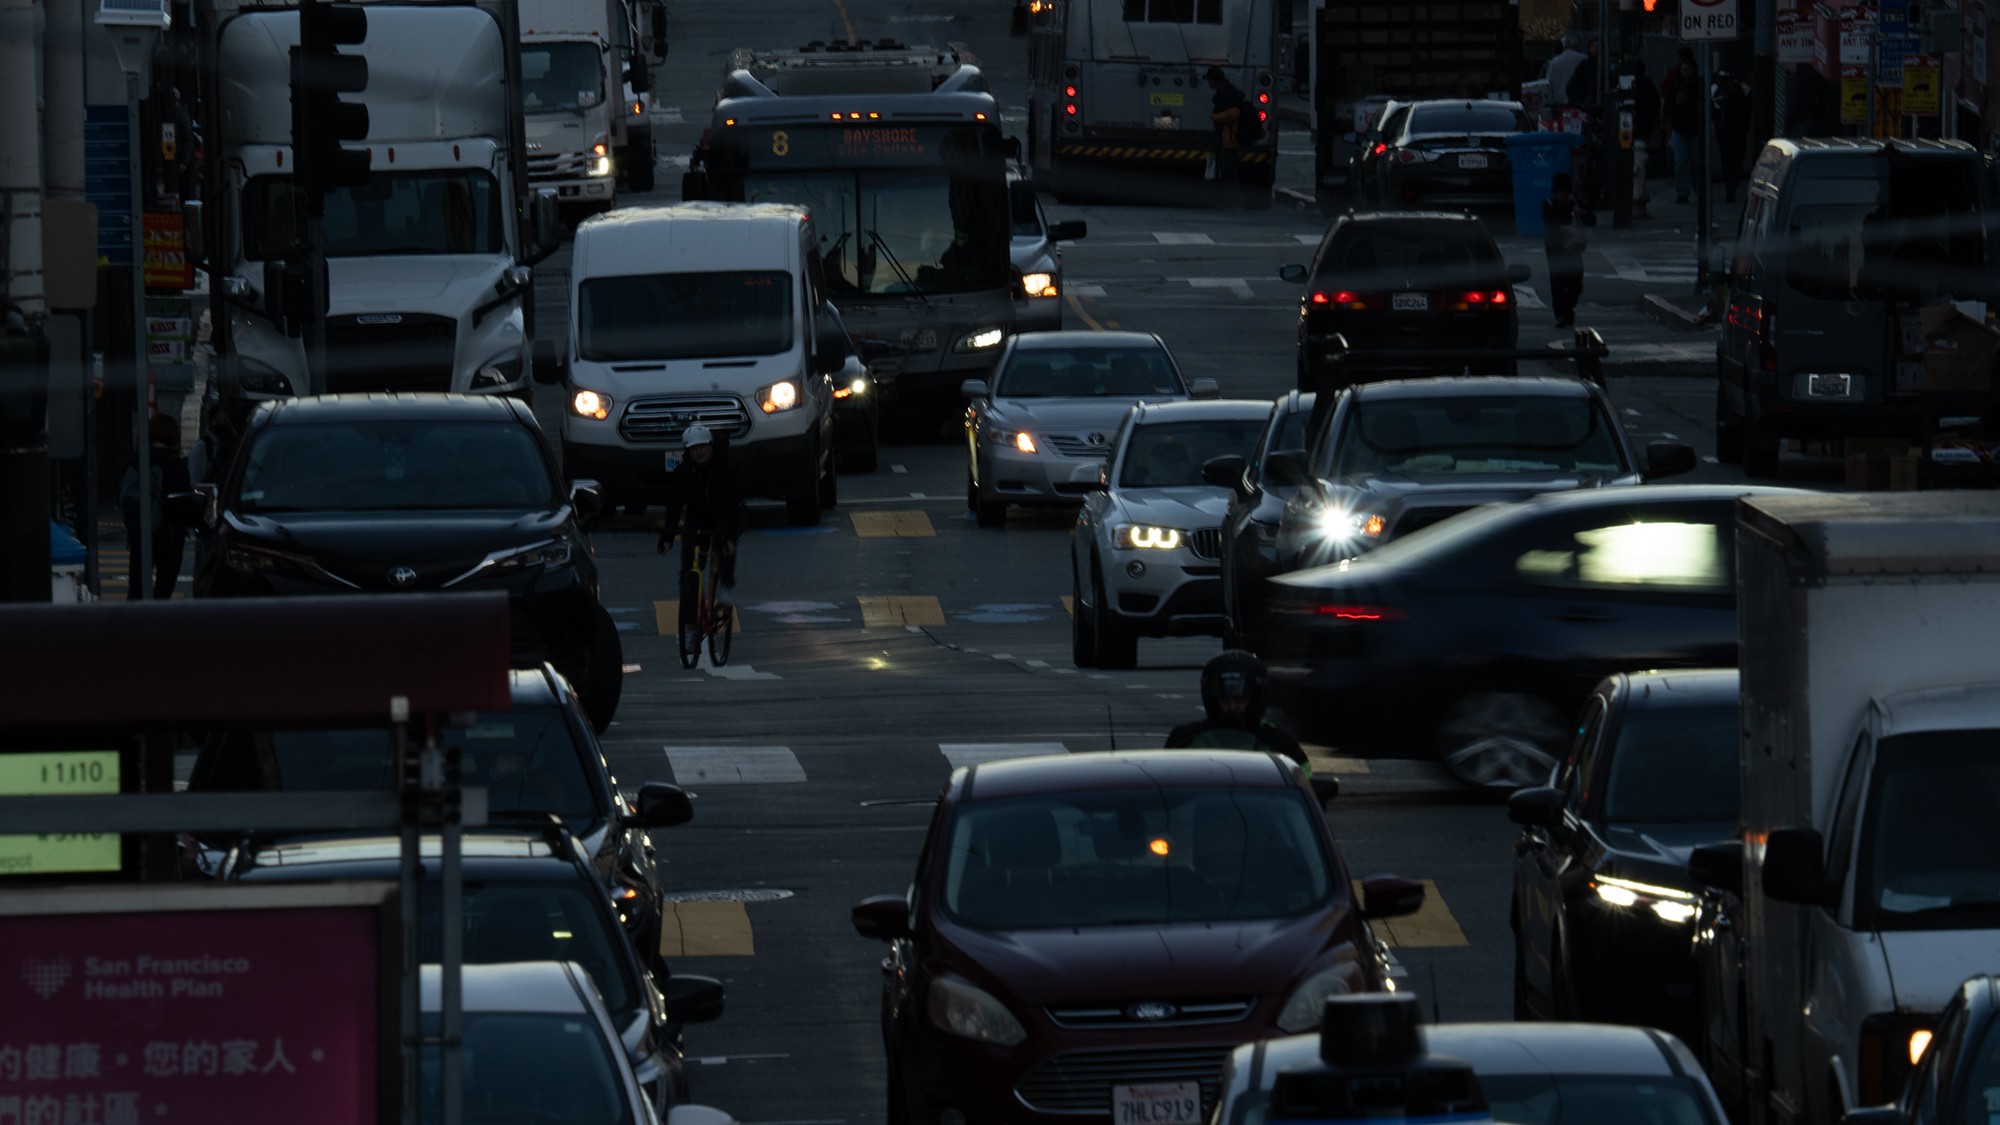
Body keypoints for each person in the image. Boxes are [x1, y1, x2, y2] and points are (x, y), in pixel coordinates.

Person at [1165, 651, 1309, 774]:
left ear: (1255, 699)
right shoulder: (1184, 740)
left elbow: (1306, 787)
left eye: (1240, 700)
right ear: (1212, 699)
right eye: (1224, 700)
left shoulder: (1281, 745)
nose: (1232, 707)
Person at [655, 424, 745, 605]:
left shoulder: (725, 470)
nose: (699, 452)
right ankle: (688, 622)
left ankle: (726, 586)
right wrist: (667, 537)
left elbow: (732, 506)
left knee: (725, 550)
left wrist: (730, 538)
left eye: (703, 447)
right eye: (694, 449)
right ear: (688, 451)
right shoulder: (682, 473)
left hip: (721, 518)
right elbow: (674, 506)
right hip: (696, 520)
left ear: (711, 447)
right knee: (688, 570)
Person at [120, 413, 191, 600]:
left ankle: (134, 625)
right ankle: (156, 625)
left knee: (136, 587)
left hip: (141, 532)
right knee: (164, 587)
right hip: (169, 534)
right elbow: (184, 504)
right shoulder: (176, 463)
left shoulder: (137, 459)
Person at [1542, 172, 1596, 329]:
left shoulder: (1577, 202)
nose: (1563, 198)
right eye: (1561, 195)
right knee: (1558, 284)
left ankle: (1567, 310)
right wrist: (1564, 228)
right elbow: (1549, 225)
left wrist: (1583, 213)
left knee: (1575, 283)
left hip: (1574, 248)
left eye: (1566, 194)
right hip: (1556, 249)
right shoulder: (1549, 204)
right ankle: (1561, 315)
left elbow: (1592, 220)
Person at [1206, 66, 1257, 210]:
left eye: (1210, 80)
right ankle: (1233, 199)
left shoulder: (1228, 94)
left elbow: (1233, 113)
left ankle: (1234, 200)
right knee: (1228, 172)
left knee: (1230, 173)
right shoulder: (1226, 91)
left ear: (1215, 80)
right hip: (1227, 139)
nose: (1209, 84)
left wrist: (1215, 117)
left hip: (1229, 140)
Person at [1660, 47, 1702, 204]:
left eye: (1688, 70)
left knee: (1696, 161)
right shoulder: (1675, 85)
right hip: (1680, 128)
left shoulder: (1698, 85)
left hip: (1694, 128)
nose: (1685, 73)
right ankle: (1683, 192)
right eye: (1683, 69)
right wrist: (1676, 103)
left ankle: (1698, 188)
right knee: (1681, 161)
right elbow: (1668, 107)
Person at [1710, 68, 1752, 203]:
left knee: (1726, 158)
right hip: (1738, 130)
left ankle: (1730, 186)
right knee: (1736, 159)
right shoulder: (1743, 88)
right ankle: (1732, 186)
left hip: (1724, 130)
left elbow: (1713, 108)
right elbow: (1749, 107)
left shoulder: (1716, 89)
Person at [1543, 33, 1591, 108]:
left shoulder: (1554, 62)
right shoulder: (1584, 59)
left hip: (1559, 102)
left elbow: (1548, 83)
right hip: (1579, 102)